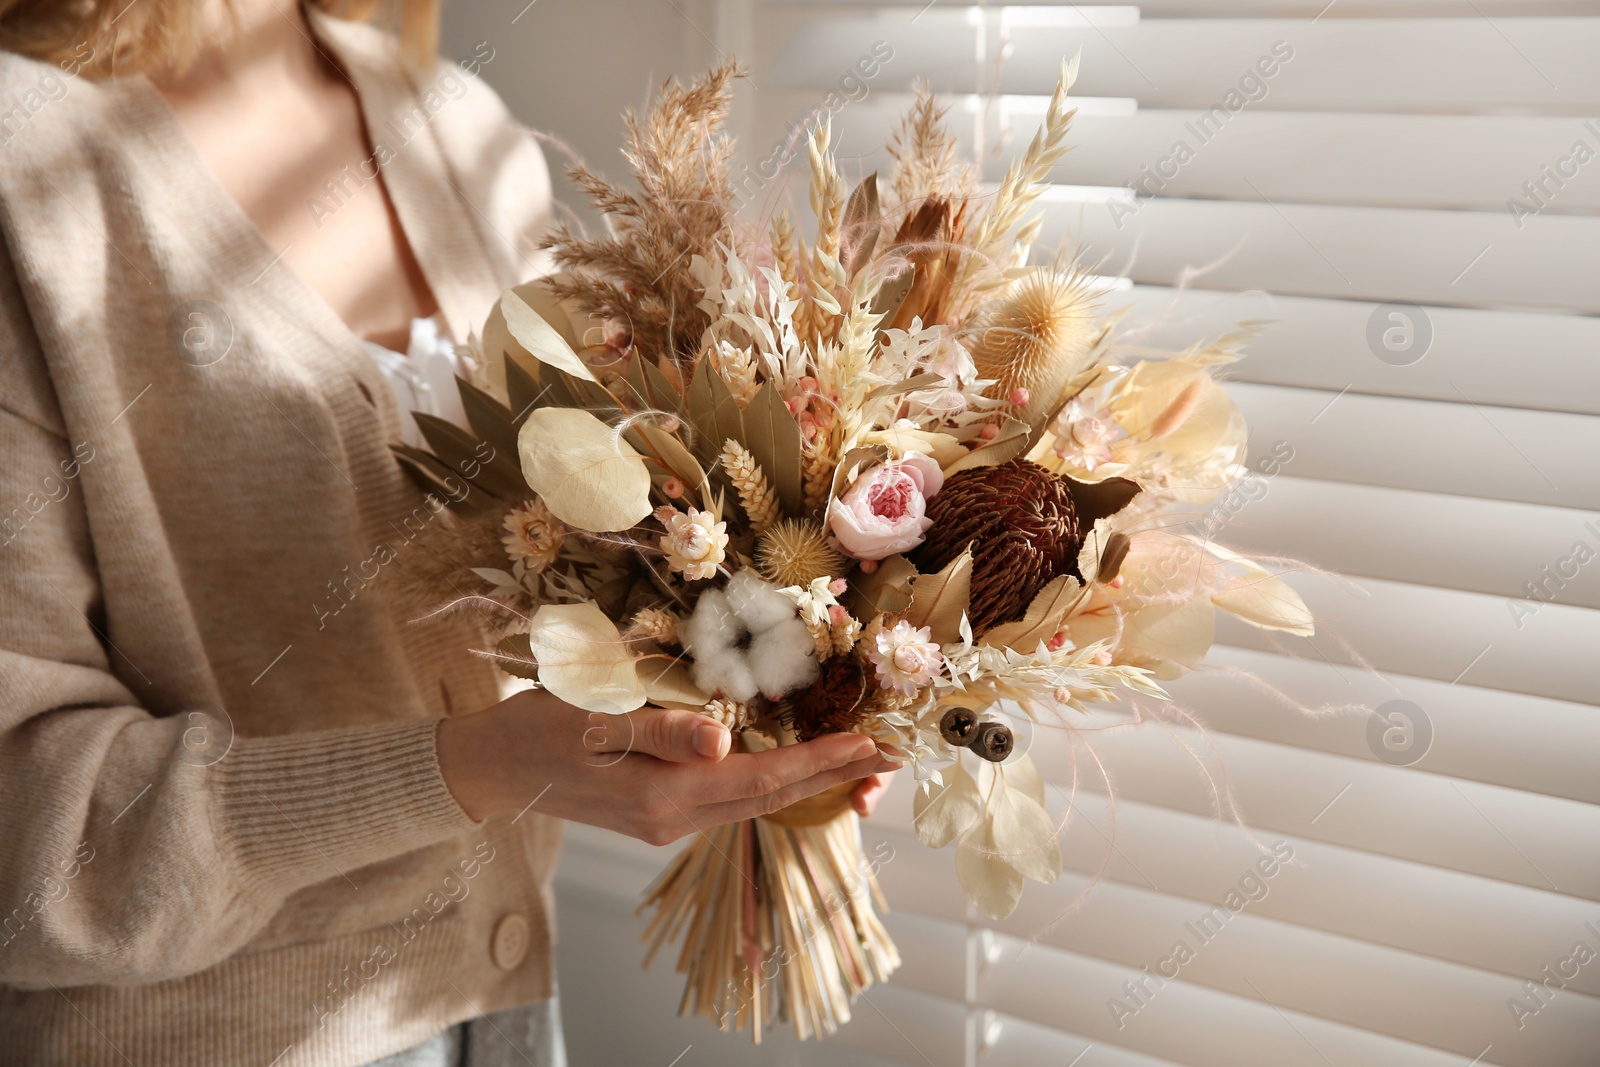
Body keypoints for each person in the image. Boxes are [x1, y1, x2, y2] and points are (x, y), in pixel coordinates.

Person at [0, 1, 894, 1064]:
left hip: (509, 1020)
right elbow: (25, 832)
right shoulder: (27, 171)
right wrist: (464, 768)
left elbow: (569, 568)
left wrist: (761, 677)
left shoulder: (456, 128)